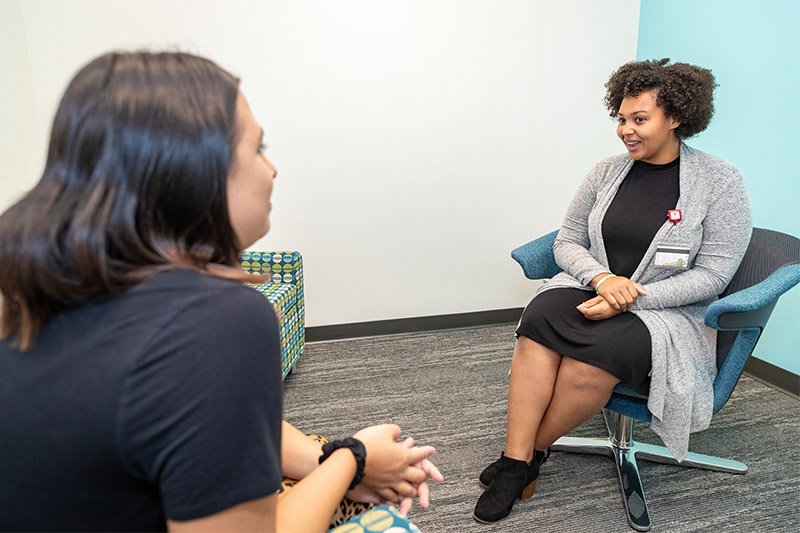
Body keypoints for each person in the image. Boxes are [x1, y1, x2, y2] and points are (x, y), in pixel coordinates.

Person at [0, 51, 441, 532]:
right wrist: (353, 459)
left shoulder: (38, 283)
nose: (272, 169)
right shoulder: (218, 321)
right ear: (190, 172)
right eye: (258, 148)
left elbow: (193, 422)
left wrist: (331, 456)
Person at [473, 58, 752, 523]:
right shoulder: (606, 171)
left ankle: (525, 458)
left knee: (591, 361)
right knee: (540, 319)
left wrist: (634, 296)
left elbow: (714, 275)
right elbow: (567, 241)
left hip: (663, 310)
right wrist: (602, 280)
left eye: (639, 119)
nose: (626, 130)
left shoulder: (721, 182)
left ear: (676, 118)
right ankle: (516, 460)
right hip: (592, 285)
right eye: (621, 118)